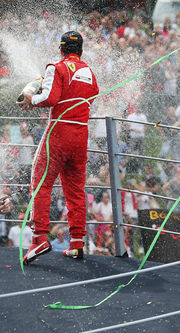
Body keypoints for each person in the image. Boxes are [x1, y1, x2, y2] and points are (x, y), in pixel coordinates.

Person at [17, 31, 99, 263]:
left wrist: (29, 97)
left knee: (40, 183)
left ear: (61, 49)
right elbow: (92, 96)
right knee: (75, 189)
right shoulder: (89, 72)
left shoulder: (56, 66)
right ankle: (76, 243)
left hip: (59, 132)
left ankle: (39, 239)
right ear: (81, 50)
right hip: (81, 135)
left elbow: (50, 98)